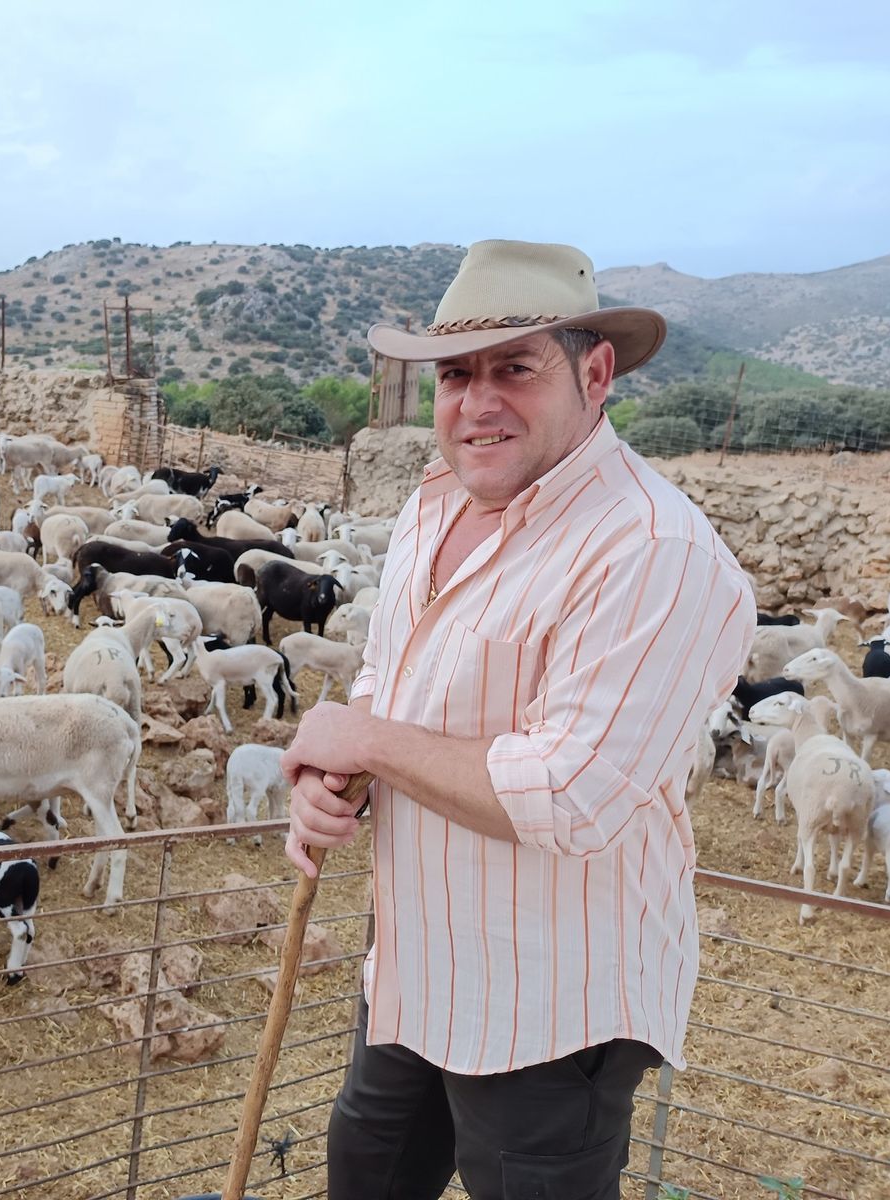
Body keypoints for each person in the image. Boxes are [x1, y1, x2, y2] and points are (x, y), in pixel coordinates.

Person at [280, 240, 755, 1199]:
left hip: (549, 1005)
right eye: (457, 374)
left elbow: (571, 795)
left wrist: (363, 739)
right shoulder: (433, 502)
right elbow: (389, 683)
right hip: (414, 966)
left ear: (596, 371)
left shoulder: (653, 553)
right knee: (365, 1179)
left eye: (516, 368)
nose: (478, 402)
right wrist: (333, 783)